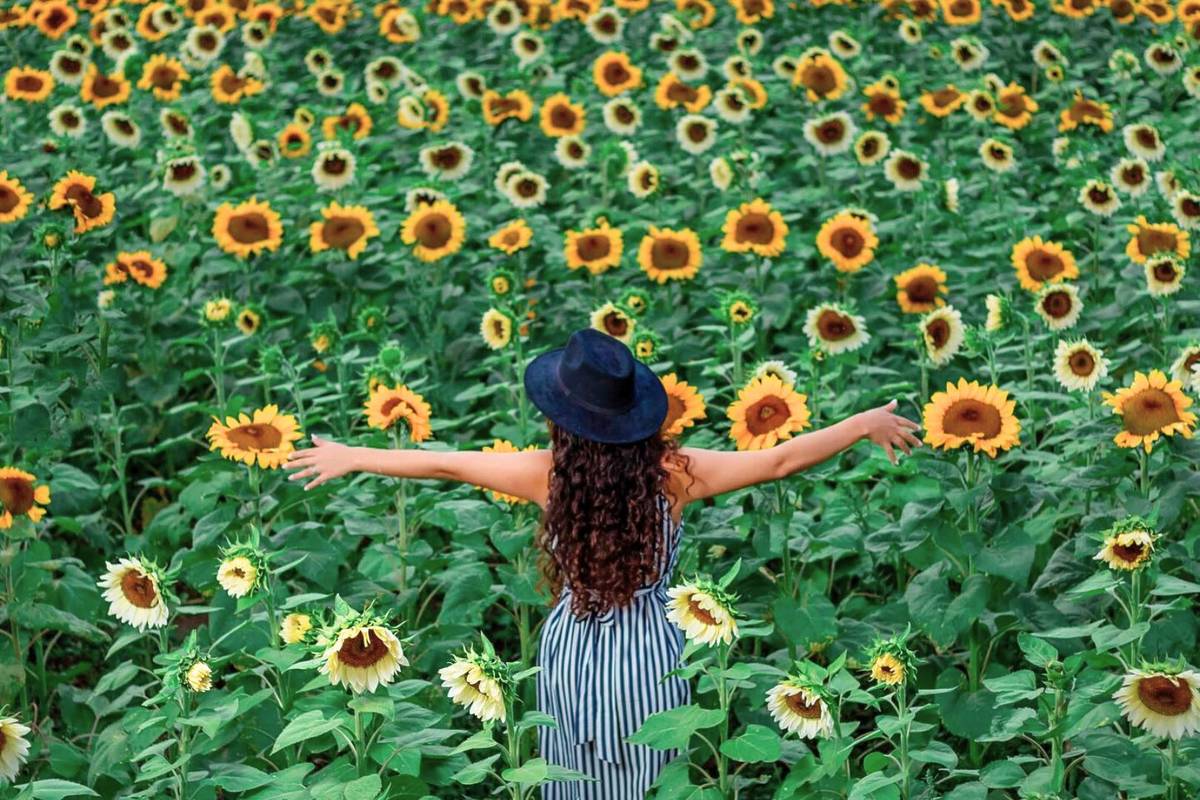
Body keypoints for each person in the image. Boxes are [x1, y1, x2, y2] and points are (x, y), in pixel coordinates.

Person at [284, 328, 921, 799]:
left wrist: (354, 453)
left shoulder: (547, 474)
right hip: (654, 644)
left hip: (575, 647)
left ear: (564, 418)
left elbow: (447, 462)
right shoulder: (676, 474)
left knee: (572, 772)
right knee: (652, 773)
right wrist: (861, 423)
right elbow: (779, 460)